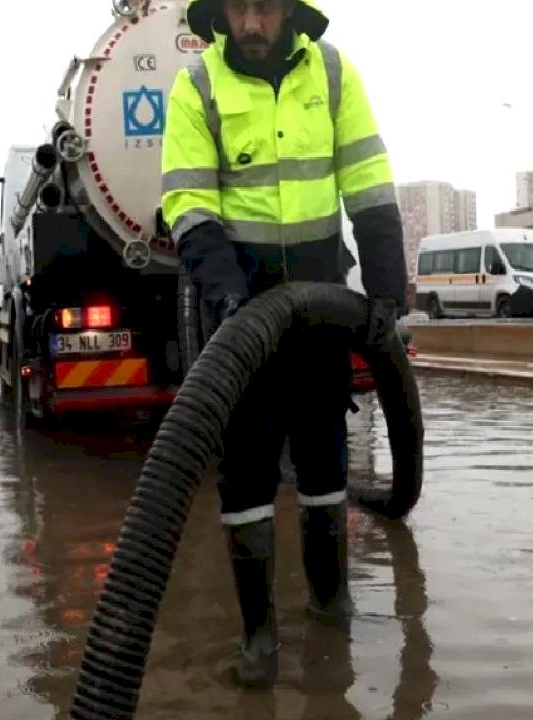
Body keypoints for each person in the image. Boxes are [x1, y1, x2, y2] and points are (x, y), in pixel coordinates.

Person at [161, 0, 407, 689]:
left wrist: (387, 288)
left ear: (290, 12)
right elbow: (190, 204)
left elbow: (366, 178)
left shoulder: (331, 74)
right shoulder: (198, 85)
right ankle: (259, 632)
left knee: (326, 454)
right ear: (220, 16)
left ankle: (331, 603)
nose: (251, 24)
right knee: (246, 469)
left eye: (263, 7)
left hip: (322, 307)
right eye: (238, 8)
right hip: (240, 313)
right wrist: (227, 296)